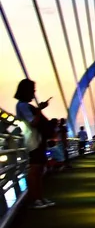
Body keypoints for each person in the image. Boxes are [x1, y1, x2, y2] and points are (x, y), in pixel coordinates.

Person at [14, 79, 55, 209]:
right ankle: (35, 199)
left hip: (37, 140)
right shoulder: (22, 105)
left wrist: (38, 109)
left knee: (39, 170)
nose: (34, 92)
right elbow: (33, 123)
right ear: (26, 91)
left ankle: (40, 198)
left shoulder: (23, 105)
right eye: (32, 90)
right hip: (33, 141)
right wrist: (39, 110)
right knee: (35, 170)